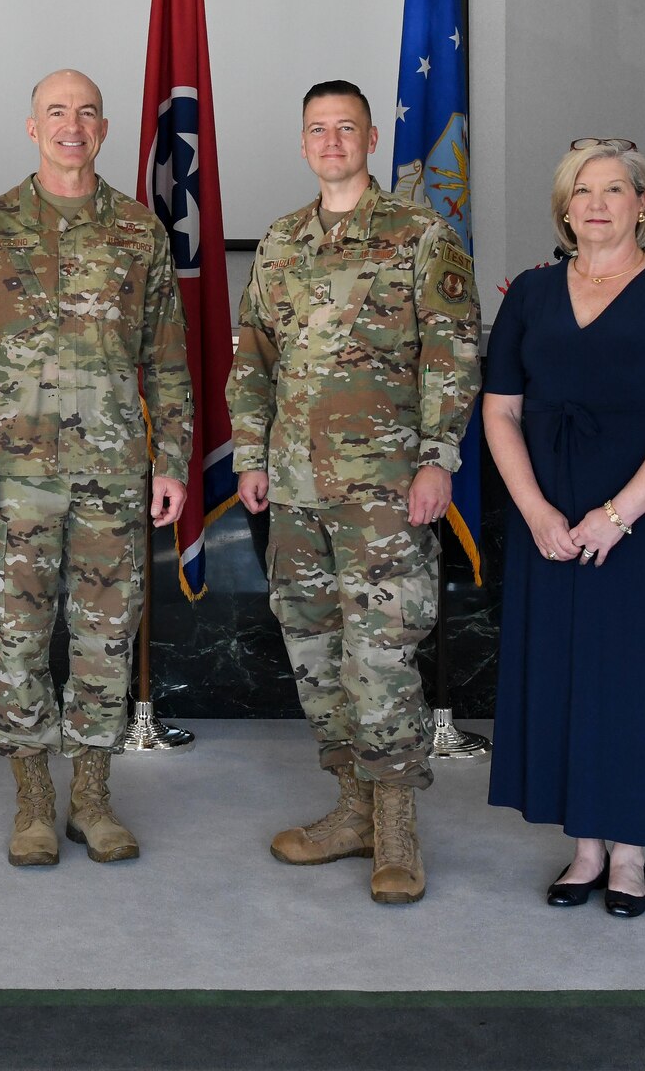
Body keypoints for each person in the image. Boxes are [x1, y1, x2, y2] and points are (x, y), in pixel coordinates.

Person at [0, 68, 192, 868]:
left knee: (106, 639)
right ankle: (34, 798)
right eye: (55, 112)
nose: (70, 125)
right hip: (12, 480)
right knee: (14, 640)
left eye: (85, 113)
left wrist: (173, 459)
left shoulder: (139, 233)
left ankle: (91, 793)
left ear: (104, 130)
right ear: (32, 126)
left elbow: (169, 362)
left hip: (113, 474)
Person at [228, 79, 480, 905]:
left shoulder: (418, 234)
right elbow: (254, 355)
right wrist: (251, 457)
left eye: (346, 128)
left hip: (386, 488)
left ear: (371, 137)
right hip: (297, 487)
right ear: (303, 144)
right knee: (314, 649)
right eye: (317, 130)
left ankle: (398, 826)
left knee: (380, 654)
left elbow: (450, 350)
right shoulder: (281, 243)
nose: (332, 141)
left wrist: (440, 456)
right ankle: (351, 809)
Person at [480, 139, 645, 919]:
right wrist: (535, 511)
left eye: (614, 189)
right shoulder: (530, 293)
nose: (596, 203)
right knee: (561, 673)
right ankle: (583, 845)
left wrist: (617, 516)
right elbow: (500, 409)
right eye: (581, 190)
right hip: (546, 515)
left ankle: (628, 853)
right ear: (564, 207)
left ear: (642, 204)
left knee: (631, 677)